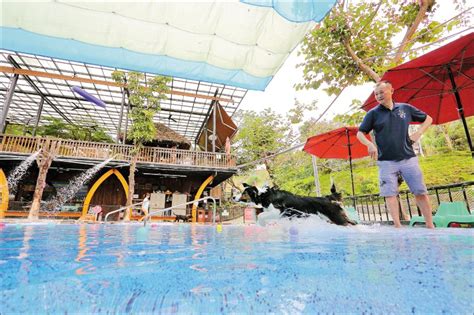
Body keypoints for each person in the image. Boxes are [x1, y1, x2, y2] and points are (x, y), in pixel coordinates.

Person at [356, 80, 434, 228]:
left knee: (420, 192)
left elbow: (428, 119)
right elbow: (360, 133)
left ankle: (430, 226)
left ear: (391, 91)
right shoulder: (373, 114)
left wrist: (418, 132)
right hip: (386, 162)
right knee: (390, 194)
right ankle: (398, 226)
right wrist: (369, 144)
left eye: (381, 92)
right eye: (376, 94)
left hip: (408, 158)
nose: (378, 95)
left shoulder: (405, 108)